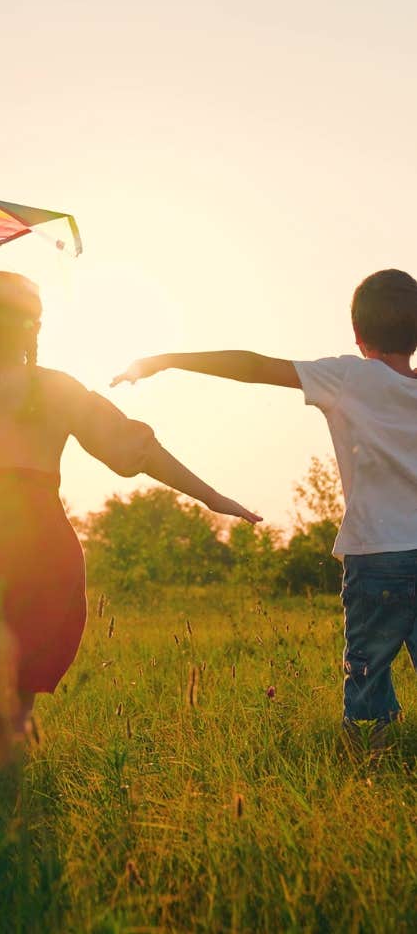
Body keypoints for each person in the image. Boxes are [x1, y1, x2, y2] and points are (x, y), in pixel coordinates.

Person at [0, 242, 260, 773]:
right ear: (34, 327)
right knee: (23, 661)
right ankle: (3, 744)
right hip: (33, 529)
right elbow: (137, 449)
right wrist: (211, 496)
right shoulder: (57, 389)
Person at [112, 268, 417, 743]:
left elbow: (254, 366)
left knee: (368, 679)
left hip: (377, 556)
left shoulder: (348, 377)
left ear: (358, 335)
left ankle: (370, 765)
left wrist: (166, 359)